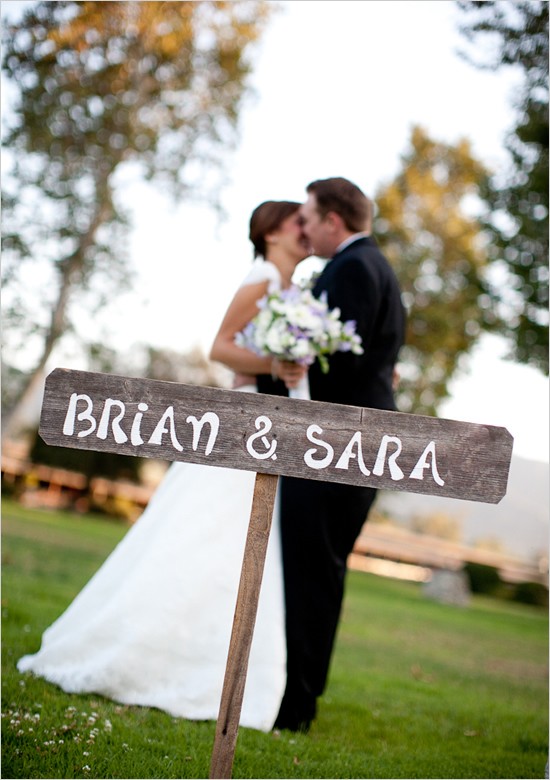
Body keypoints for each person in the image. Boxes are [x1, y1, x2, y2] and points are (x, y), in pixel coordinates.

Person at [17, 200, 310, 733]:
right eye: (297, 221)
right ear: (270, 231)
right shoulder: (264, 276)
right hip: (242, 425)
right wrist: (276, 362)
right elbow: (222, 347)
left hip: (270, 429)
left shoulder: (293, 290)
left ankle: (215, 671)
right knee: (198, 539)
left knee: (237, 552)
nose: (305, 229)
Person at [273, 177, 406, 733]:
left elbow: (338, 362)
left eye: (308, 216)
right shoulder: (379, 269)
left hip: (334, 445)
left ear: (334, 220)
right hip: (356, 444)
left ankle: (296, 705)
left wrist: (282, 369)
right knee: (320, 570)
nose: (303, 227)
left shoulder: (352, 269)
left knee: (311, 573)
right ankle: (296, 695)